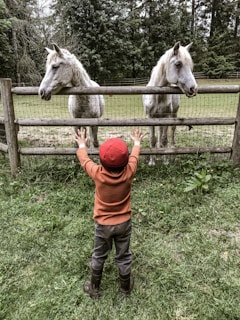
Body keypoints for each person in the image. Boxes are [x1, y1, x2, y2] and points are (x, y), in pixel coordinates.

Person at [74, 128, 145, 298]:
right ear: (125, 160)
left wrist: (82, 144)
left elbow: (84, 160)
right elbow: (134, 158)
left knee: (99, 255)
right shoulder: (129, 172)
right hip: (124, 224)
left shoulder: (98, 174)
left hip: (103, 225)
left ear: (102, 161)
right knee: (124, 256)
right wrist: (136, 142)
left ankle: (94, 288)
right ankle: (125, 289)